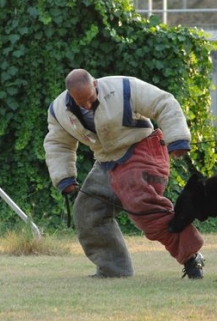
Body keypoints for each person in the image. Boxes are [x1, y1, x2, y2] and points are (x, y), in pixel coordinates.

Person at [43, 69, 205, 279]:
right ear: (70, 96)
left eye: (91, 99)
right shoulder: (58, 111)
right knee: (87, 212)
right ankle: (114, 271)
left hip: (142, 150)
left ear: (95, 85)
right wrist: (64, 177)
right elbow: (58, 144)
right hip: (106, 161)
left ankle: (192, 256)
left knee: (142, 207)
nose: (88, 106)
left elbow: (164, 103)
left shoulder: (124, 87)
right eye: (81, 103)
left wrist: (177, 139)